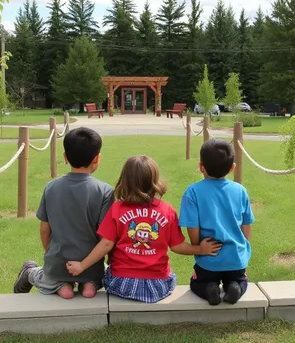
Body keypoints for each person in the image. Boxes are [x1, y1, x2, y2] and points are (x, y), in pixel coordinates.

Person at [66, 155, 222, 303]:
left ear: (125, 181)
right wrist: (201, 249)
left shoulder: (117, 209)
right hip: (157, 285)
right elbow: (177, 246)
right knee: (169, 273)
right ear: (154, 181)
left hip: (122, 283)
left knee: (108, 270)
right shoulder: (167, 211)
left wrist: (82, 265)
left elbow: (106, 244)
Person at [13, 127, 114, 299]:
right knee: (89, 291)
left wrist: (51, 255)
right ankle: (33, 272)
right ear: (97, 158)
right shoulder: (105, 191)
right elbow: (105, 238)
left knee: (67, 293)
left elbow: (45, 229)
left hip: (57, 263)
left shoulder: (51, 187)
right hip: (91, 264)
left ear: (65, 157)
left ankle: (34, 274)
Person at [179, 139, 254, 306]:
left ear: (201, 167)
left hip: (209, 258)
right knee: (240, 280)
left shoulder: (192, 192)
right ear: (232, 167)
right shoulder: (240, 190)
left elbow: (192, 226)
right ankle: (235, 287)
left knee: (197, 282)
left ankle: (209, 289)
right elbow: (246, 224)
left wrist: (199, 247)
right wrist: (244, 245)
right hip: (235, 258)